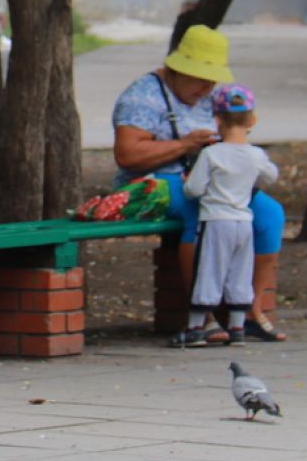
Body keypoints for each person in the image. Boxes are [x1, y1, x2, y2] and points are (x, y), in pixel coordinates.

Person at [109, 24, 288, 341]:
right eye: (199, 79)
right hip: (154, 184)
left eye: (212, 81)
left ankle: (247, 309)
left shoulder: (212, 98)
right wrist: (185, 145)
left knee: (269, 214)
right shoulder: (143, 96)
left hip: (208, 179)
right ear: (176, 69)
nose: (206, 88)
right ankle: (202, 315)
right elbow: (128, 154)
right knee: (200, 212)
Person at [175, 85, 277, 347]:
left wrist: (188, 181)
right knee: (239, 272)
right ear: (252, 120)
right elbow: (272, 176)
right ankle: (237, 326)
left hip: (215, 221)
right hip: (243, 221)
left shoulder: (211, 154)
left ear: (217, 119)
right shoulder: (256, 155)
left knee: (208, 270)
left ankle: (197, 326)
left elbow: (193, 190)